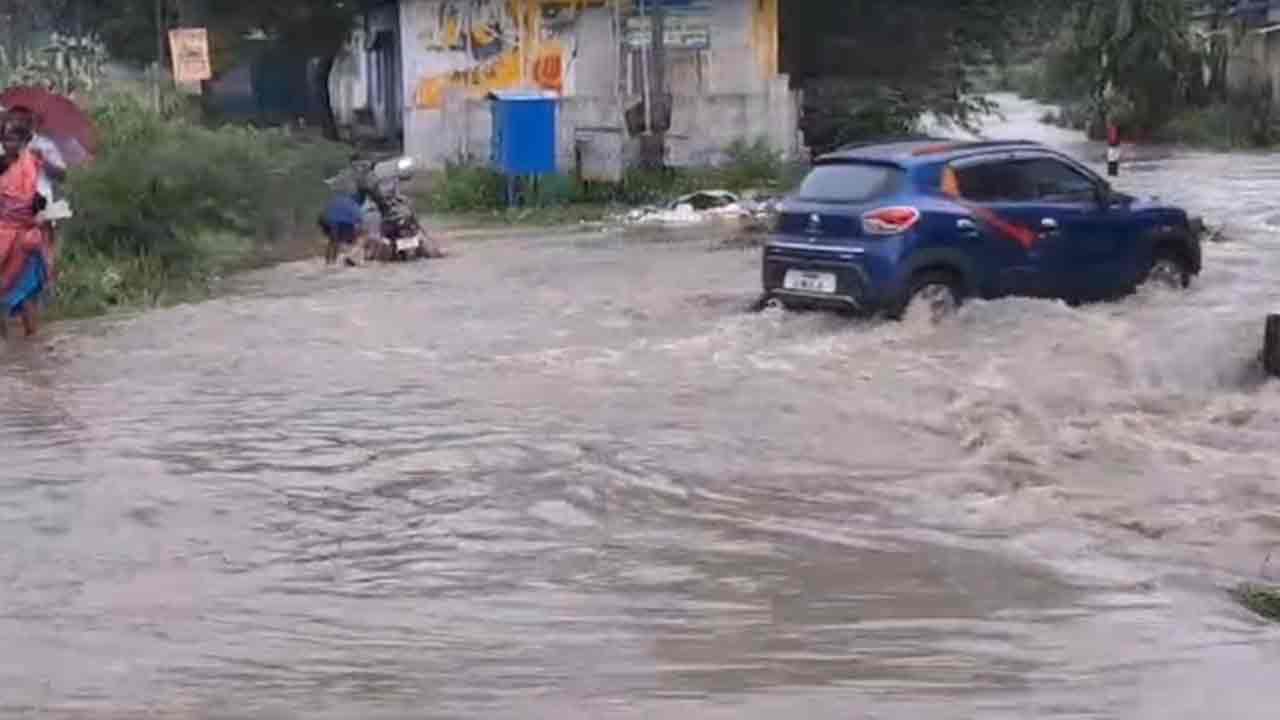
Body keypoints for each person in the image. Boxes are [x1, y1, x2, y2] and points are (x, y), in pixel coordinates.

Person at [0, 114, 54, 338]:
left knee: (27, 293)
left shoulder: (32, 165)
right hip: (4, 238)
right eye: (5, 139)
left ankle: (32, 341)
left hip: (26, 239)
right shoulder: (2, 167)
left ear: (23, 142)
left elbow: (42, 199)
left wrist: (37, 203)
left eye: (13, 139)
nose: (8, 143)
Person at [319, 190, 366, 266]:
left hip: (326, 221)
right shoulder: (354, 205)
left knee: (332, 241)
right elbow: (360, 221)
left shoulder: (338, 199)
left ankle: (328, 261)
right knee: (339, 241)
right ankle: (339, 259)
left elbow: (324, 212)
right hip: (340, 223)